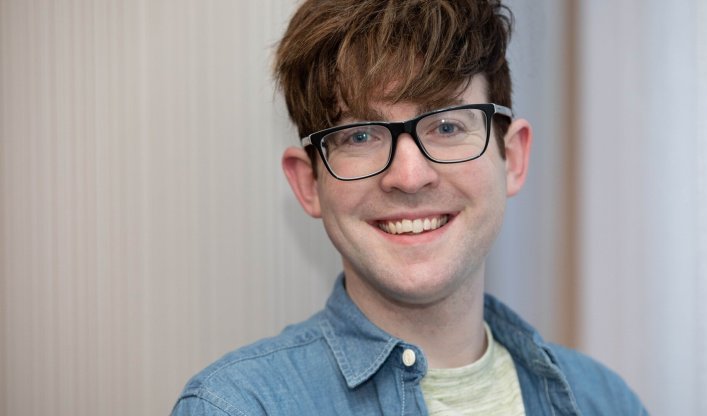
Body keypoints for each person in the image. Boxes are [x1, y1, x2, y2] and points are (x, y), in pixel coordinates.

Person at [172, 0, 647, 414]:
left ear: (514, 157)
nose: (408, 176)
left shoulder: (607, 401)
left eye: (446, 126)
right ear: (308, 184)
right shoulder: (236, 407)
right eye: (359, 135)